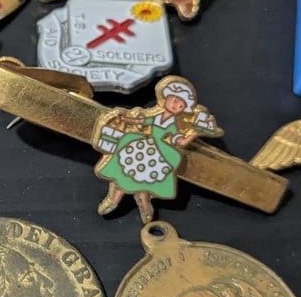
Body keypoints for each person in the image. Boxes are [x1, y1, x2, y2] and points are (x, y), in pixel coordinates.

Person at [93, 76, 221, 223]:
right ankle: (113, 200)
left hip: (157, 152)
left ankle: (144, 205)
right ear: (165, 99)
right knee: (125, 172)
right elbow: (142, 121)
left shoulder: (173, 125)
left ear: (183, 109)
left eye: (180, 104)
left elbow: (181, 142)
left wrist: (195, 133)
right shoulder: (156, 116)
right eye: (173, 100)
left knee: (143, 181)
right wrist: (125, 119)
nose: (175, 105)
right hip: (142, 145)